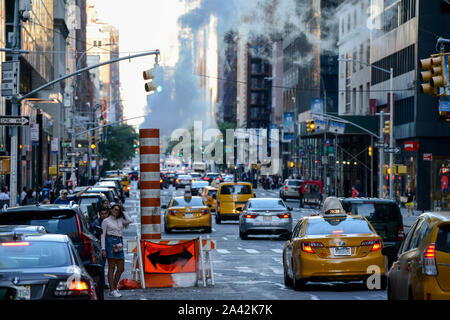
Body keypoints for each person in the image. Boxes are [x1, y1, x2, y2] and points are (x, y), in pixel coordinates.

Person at [101, 204, 132, 298]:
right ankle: (113, 289)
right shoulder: (106, 221)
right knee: (111, 267)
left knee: (121, 268)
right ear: (111, 209)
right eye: (114, 209)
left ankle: (113, 287)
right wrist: (103, 249)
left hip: (119, 242)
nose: (116, 211)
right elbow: (102, 235)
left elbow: (129, 220)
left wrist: (123, 211)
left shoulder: (120, 220)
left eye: (118, 210)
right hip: (110, 242)